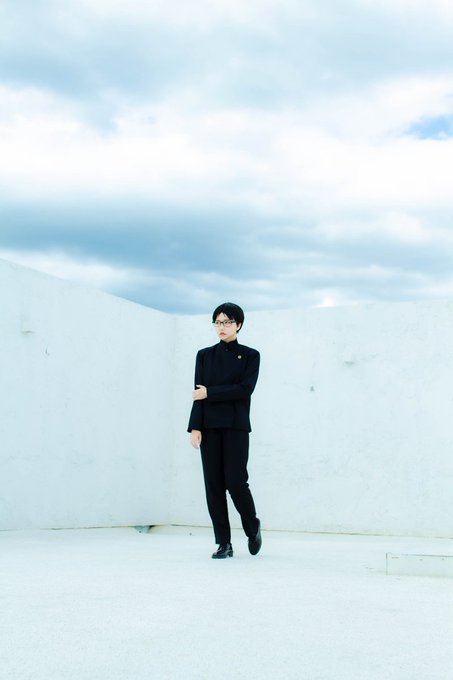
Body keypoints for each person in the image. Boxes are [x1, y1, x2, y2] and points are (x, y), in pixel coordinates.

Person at [188, 302, 262, 559]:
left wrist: (211, 393)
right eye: (218, 322)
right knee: (214, 486)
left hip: (235, 426)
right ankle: (224, 543)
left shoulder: (251, 355)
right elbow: (198, 394)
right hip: (209, 427)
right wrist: (195, 427)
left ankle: (252, 527)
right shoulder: (204, 355)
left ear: (238, 324)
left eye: (227, 322)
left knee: (236, 482)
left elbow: (244, 389)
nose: (222, 327)